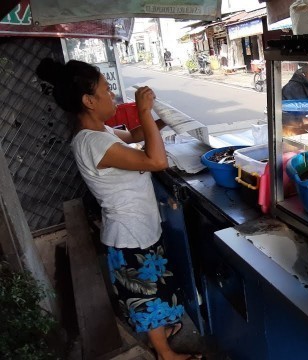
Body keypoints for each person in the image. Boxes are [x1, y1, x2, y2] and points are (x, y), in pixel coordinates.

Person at [35, 58, 200, 360]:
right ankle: (165, 354)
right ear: (88, 101)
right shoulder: (91, 143)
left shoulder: (101, 134)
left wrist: (166, 117)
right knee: (146, 294)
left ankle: (161, 335)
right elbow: (156, 161)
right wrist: (144, 112)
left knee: (154, 287)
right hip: (128, 235)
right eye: (107, 91)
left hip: (139, 228)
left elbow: (136, 136)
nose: (112, 96)